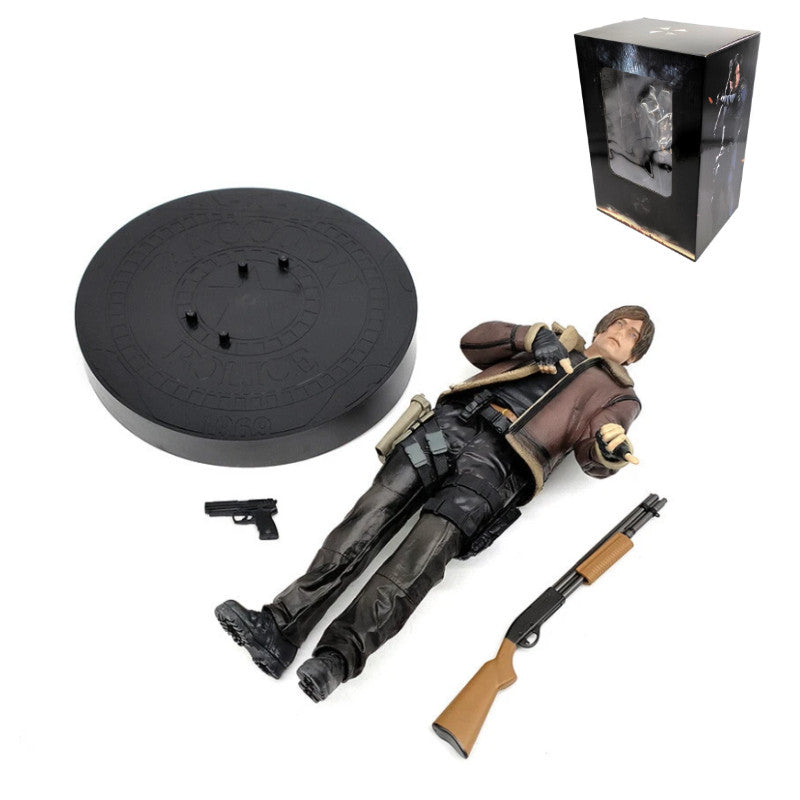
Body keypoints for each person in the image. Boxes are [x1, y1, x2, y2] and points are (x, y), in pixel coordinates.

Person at [215, 306, 655, 701]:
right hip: (451, 425)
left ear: (634, 356)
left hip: (500, 468)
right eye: (618, 322)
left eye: (632, 334)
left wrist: (607, 447)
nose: (621, 331)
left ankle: (337, 659)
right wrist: (528, 335)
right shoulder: (551, 340)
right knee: (366, 518)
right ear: (601, 325)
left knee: (416, 562)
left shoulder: (617, 394)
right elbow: (473, 342)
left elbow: (599, 442)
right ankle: (279, 626)